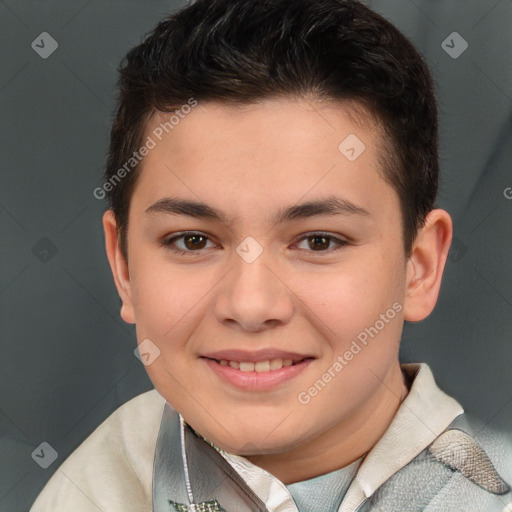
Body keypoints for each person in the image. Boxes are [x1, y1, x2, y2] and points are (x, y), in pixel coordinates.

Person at [30, 0, 512, 510]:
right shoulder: (88, 489)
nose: (251, 305)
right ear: (124, 266)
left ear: (420, 267)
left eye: (318, 241)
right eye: (193, 240)